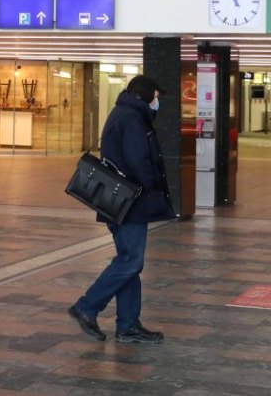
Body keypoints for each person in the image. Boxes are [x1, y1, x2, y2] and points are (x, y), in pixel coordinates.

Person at [69, 75, 175, 345]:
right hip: (130, 203)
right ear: (144, 96)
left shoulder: (124, 112)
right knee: (131, 261)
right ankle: (87, 306)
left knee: (129, 263)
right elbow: (139, 160)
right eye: (156, 96)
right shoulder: (131, 118)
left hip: (120, 201)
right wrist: (152, 187)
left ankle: (128, 326)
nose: (158, 101)